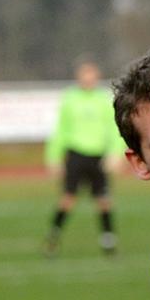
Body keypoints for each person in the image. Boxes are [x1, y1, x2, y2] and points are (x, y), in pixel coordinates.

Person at [44, 59, 126, 256]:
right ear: (78, 77)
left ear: (96, 77)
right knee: (67, 198)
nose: (87, 79)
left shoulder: (104, 99)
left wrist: (116, 153)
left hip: (98, 156)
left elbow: (114, 129)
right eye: (84, 75)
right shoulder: (70, 99)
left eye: (91, 75)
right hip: (76, 154)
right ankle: (53, 237)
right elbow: (61, 130)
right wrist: (53, 157)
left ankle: (108, 241)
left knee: (104, 200)